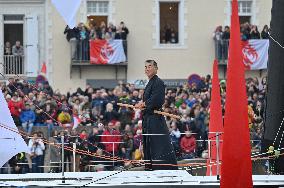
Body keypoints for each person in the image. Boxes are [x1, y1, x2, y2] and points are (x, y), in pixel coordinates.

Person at [135, 59, 177, 170]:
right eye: (145, 67)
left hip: (155, 119)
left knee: (157, 145)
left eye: (149, 66)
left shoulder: (158, 82)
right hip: (148, 118)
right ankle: (150, 167)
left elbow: (156, 100)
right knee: (149, 144)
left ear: (156, 68)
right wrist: (142, 104)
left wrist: (143, 104)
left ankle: (162, 168)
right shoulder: (150, 83)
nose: (147, 69)